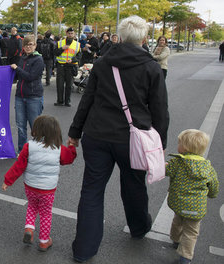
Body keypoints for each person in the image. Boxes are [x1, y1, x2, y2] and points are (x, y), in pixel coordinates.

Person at [68, 16, 169, 263]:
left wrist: (75, 132)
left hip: (97, 134)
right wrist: (160, 144)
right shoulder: (151, 67)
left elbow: (87, 99)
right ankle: (139, 227)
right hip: (132, 139)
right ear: (144, 39)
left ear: (120, 37)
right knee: (134, 185)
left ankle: (84, 249)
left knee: (92, 190)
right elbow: (159, 110)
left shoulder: (103, 63)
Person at [2, 115, 77, 252]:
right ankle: (44, 241)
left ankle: (29, 228)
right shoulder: (59, 149)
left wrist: (8, 180)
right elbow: (69, 159)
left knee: (32, 206)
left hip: (30, 186)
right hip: (48, 189)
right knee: (45, 213)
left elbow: (19, 166)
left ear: (35, 131)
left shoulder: (29, 146)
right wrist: (71, 146)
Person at [166, 129, 219, 264]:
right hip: (196, 208)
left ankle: (175, 240)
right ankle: (185, 257)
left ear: (184, 148)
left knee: (177, 221)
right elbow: (213, 186)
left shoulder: (177, 163)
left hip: (178, 204)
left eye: (179, 143)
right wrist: (212, 194)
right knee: (191, 233)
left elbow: (164, 170)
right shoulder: (208, 168)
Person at [10, 35, 44, 152]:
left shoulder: (38, 59)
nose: (28, 47)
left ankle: (39, 151)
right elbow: (19, 75)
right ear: (23, 47)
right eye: (26, 45)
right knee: (20, 127)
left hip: (34, 97)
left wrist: (17, 69)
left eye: (31, 44)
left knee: (35, 127)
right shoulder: (22, 58)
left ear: (35, 45)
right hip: (20, 96)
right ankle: (22, 151)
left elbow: (30, 77)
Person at [54, 27, 81, 107]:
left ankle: (67, 101)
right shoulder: (60, 43)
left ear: (74, 34)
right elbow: (55, 52)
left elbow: (79, 56)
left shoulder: (77, 44)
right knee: (60, 84)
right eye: (69, 33)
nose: (70, 35)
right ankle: (60, 101)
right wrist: (62, 48)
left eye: (72, 33)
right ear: (66, 33)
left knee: (69, 85)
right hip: (61, 65)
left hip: (71, 66)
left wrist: (72, 60)